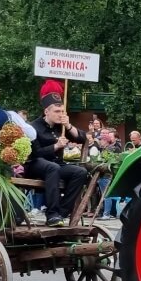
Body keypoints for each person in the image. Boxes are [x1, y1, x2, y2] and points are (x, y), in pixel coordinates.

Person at [27, 82, 90, 227]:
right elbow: (35, 153)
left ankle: (61, 213)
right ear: (46, 111)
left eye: (62, 111)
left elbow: (81, 138)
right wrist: (55, 146)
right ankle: (52, 214)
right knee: (52, 168)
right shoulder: (33, 127)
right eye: (57, 111)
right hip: (37, 163)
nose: (60, 114)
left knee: (80, 172)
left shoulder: (61, 126)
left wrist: (68, 125)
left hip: (57, 164)